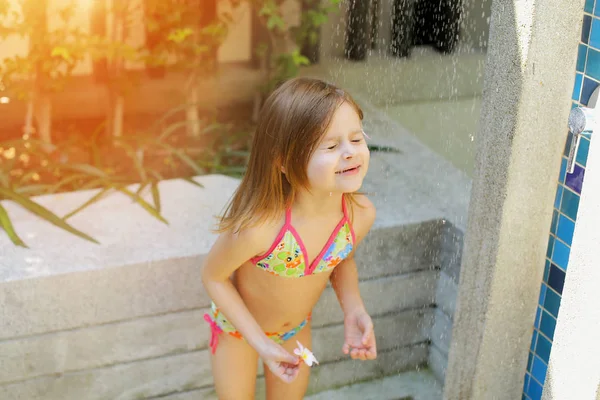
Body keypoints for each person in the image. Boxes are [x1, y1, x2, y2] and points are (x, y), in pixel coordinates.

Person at [201, 77, 377, 399]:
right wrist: (260, 343)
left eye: (356, 138)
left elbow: (342, 257)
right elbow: (214, 277)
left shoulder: (359, 215)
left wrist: (353, 309)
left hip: (294, 332)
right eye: (331, 145)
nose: (350, 152)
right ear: (283, 160)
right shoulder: (262, 228)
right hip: (239, 333)